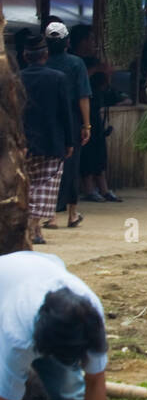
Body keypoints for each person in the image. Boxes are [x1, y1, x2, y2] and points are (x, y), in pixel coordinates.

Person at [0, 251, 124, 400]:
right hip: (9, 297)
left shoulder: (88, 315)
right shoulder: (16, 338)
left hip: (36, 274)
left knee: (74, 397)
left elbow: (95, 382)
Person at [19, 36, 73, 246]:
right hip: (52, 141)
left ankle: (31, 228)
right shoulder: (58, 78)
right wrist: (70, 141)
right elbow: (65, 113)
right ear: (46, 55)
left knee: (27, 186)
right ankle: (35, 227)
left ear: (25, 56)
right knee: (45, 186)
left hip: (22, 143)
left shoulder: (17, 78)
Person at [44, 20, 91, 231]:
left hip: (45, 122)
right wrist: (87, 125)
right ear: (67, 42)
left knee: (47, 168)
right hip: (71, 121)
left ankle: (50, 215)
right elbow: (83, 96)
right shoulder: (76, 64)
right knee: (71, 168)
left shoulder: (40, 63)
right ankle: (72, 214)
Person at [80, 70, 123, 204]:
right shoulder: (88, 91)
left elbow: (123, 98)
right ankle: (89, 190)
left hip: (97, 128)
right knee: (88, 158)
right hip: (86, 126)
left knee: (100, 158)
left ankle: (104, 190)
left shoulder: (102, 92)